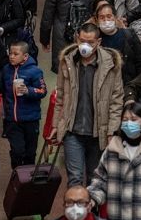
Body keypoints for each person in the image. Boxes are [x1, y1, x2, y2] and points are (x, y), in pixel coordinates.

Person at [49, 22, 124, 187]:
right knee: (75, 179)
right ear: (77, 38)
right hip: (72, 131)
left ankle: (92, 213)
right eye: (82, 40)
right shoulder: (67, 61)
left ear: (99, 42)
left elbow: (116, 100)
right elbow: (60, 95)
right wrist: (56, 124)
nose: (85, 45)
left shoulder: (111, 65)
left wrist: (112, 130)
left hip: (98, 133)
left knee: (94, 180)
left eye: (90, 42)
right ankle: (75, 211)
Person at [0, 41, 47, 168]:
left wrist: (29, 90)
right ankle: (16, 175)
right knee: (17, 151)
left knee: (30, 153)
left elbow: (43, 91)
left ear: (25, 56)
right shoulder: (6, 70)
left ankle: (28, 182)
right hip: (12, 120)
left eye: (16, 54)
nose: (11, 56)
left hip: (31, 120)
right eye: (10, 53)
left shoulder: (35, 71)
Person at [94, 2, 141, 87]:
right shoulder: (95, 38)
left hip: (127, 84)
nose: (106, 20)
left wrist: (135, 86)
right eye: (102, 17)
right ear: (97, 21)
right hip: (103, 85)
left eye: (109, 16)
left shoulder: (129, 35)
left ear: (115, 18)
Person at [45, 185, 119, 220]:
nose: (75, 207)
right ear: (64, 206)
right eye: (70, 202)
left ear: (89, 206)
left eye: (81, 202)